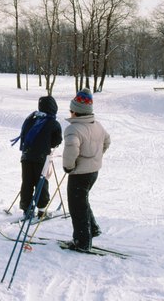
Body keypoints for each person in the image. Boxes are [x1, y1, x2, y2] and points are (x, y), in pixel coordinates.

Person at [61, 89, 110, 251]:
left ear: (76, 112)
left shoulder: (73, 129)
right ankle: (92, 229)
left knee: (76, 206)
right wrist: (96, 157)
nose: (70, 113)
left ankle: (82, 242)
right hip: (93, 172)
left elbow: (71, 150)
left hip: (79, 174)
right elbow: (107, 141)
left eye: (71, 110)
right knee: (82, 201)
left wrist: (69, 167)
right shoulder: (98, 126)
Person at [12, 96, 62, 220]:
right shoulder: (52, 122)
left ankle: (26, 209)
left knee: (27, 182)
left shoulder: (32, 118)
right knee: (41, 182)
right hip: (41, 157)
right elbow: (56, 141)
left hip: (26, 156)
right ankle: (41, 211)